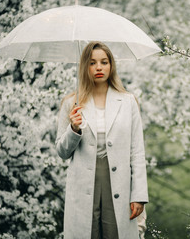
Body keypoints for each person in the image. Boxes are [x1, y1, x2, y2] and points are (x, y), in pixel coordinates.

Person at [55, 41, 148, 239]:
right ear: (84, 67)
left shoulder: (128, 101)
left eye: (104, 62)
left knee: (116, 232)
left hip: (119, 183)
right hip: (82, 183)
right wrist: (74, 129)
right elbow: (62, 152)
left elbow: (137, 151)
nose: (98, 67)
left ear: (111, 65)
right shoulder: (71, 103)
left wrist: (139, 195)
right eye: (92, 63)